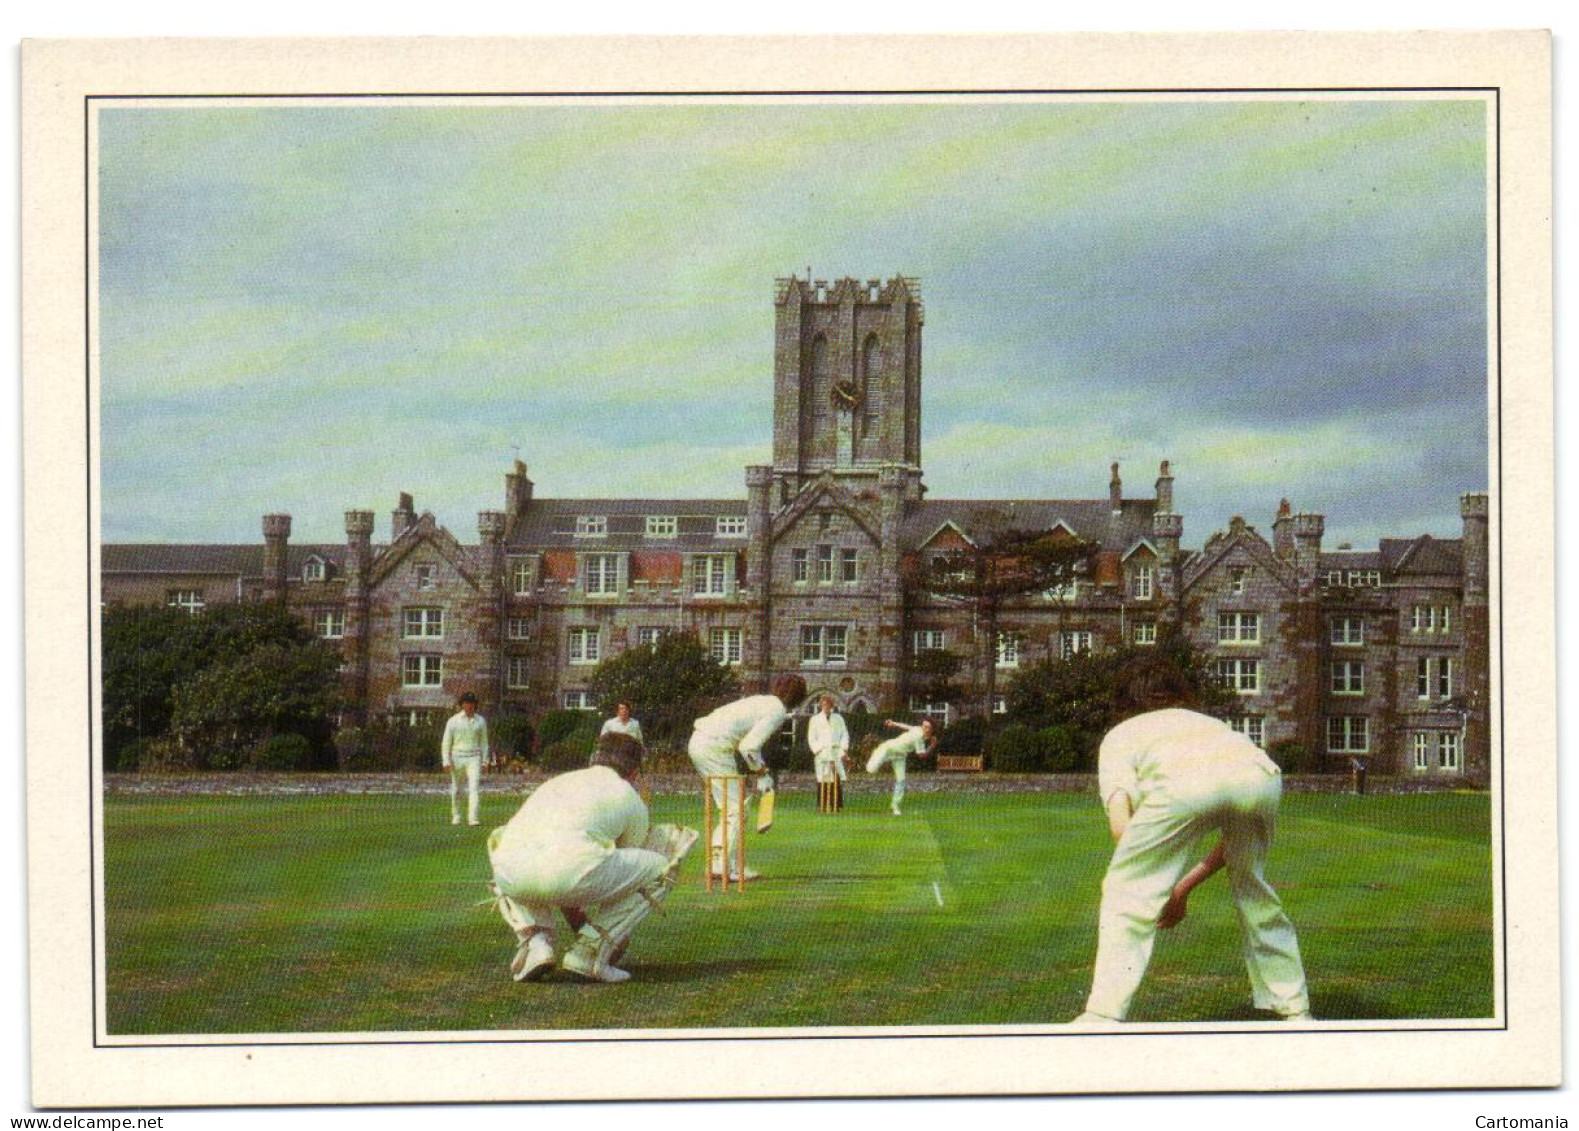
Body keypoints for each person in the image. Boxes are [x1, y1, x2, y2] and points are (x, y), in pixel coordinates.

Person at [1074, 657, 1311, 1025]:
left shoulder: (1121, 735)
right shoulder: (1212, 725)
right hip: (1261, 776)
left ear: (1124, 704)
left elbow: (1122, 828)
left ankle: (1102, 1016)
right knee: (1255, 891)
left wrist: (1153, 883)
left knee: (1125, 889)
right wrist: (1181, 888)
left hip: (1187, 785)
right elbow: (1231, 844)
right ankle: (1296, 1011)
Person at [484, 732, 698, 984]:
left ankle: (536, 943)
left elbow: (567, 854)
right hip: (570, 872)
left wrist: (578, 919)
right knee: (662, 865)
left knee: (506, 842)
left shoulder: (558, 781)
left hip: (510, 875)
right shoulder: (629, 795)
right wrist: (608, 933)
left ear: (594, 759)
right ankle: (590, 952)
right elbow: (624, 872)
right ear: (634, 772)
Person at [686, 674, 807, 881]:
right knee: (736, 809)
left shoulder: (763, 701)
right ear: (798, 697)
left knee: (732, 808)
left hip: (701, 742)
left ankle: (724, 864)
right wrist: (762, 773)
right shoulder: (777, 710)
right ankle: (723, 866)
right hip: (714, 747)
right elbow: (748, 747)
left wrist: (761, 772)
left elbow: (747, 747)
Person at [865, 718, 937, 816]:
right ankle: (875, 753)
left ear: (932, 729)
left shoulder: (917, 729)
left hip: (900, 755)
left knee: (901, 779)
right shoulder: (919, 736)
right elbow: (922, 756)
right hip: (888, 749)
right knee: (871, 770)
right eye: (924, 726)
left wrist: (893, 723)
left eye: (927, 727)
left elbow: (906, 726)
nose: (924, 728)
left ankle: (895, 806)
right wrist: (932, 746)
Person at [441, 691, 490, 826]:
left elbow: (484, 743)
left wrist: (485, 760)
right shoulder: (453, 721)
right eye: (467, 703)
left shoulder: (480, 721)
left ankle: (472, 818)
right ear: (462, 705)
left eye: (472, 704)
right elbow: (446, 742)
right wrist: (446, 760)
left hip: (474, 757)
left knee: (474, 788)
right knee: (457, 789)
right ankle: (456, 816)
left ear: (475, 705)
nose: (469, 706)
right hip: (457, 757)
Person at [807, 695, 850, 810]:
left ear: (832, 706)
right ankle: (822, 804)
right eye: (824, 704)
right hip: (822, 752)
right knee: (823, 778)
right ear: (821, 706)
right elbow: (811, 737)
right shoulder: (815, 719)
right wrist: (817, 750)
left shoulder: (838, 718)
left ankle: (836, 805)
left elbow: (844, 734)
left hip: (835, 752)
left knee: (835, 778)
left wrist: (844, 749)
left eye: (828, 704)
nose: (826, 707)